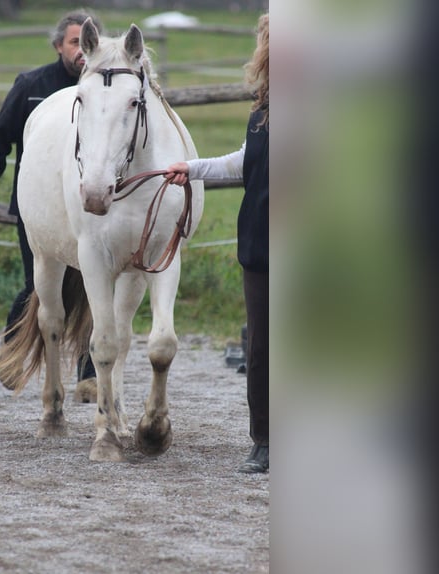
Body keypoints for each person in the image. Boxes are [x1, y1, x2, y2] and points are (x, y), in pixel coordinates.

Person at [0, 11, 101, 391]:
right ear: (59, 45)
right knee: (38, 286)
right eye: (74, 42)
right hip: (41, 212)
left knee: (95, 290)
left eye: (86, 41)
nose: (81, 50)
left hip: (91, 211)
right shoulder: (31, 85)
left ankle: (90, 374)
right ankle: (12, 354)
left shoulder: (105, 91)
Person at [166, 13, 269, 473]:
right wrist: (191, 168)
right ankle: (264, 441)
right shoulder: (263, 112)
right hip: (261, 244)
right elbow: (243, 163)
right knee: (262, 349)